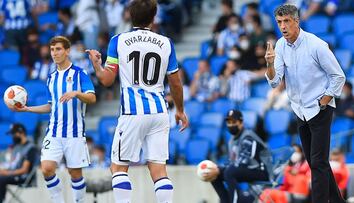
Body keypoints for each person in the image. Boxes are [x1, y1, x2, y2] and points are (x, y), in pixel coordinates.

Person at [86, 0, 189, 202]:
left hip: (133, 112)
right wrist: (179, 110)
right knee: (159, 170)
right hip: (159, 112)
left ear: (130, 16)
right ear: (153, 17)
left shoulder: (118, 40)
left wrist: (97, 65)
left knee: (118, 167)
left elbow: (107, 80)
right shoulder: (166, 43)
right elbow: (175, 83)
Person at [264, 4, 346, 203]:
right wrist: (269, 64)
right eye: (279, 22)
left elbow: (338, 76)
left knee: (318, 162)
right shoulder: (281, 45)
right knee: (315, 162)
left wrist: (325, 99)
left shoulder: (316, 45)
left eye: (286, 21)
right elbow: (275, 81)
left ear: (297, 21)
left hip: (320, 108)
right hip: (299, 110)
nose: (283, 27)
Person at [12, 36, 96, 203]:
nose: (54, 53)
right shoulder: (51, 78)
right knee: (46, 168)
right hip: (54, 132)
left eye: (58, 49)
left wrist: (76, 93)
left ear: (67, 51)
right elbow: (51, 106)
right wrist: (28, 108)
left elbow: (92, 98)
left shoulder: (80, 74)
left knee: (75, 175)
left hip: (75, 133)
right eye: (52, 50)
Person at [203, 110, 270, 203]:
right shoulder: (232, 140)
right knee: (214, 173)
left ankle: (236, 200)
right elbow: (232, 162)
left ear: (241, 122)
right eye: (229, 122)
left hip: (261, 171)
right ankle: (225, 201)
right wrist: (217, 169)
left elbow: (243, 162)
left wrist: (220, 169)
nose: (231, 125)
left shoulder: (248, 137)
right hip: (247, 170)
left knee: (229, 172)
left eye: (234, 122)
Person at [0, 123, 38, 202]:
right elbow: (11, 163)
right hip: (12, 174)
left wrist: (6, 173)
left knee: (1, 179)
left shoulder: (31, 148)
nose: (12, 137)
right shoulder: (16, 147)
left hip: (23, 177)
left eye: (14, 134)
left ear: (21, 133)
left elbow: (24, 170)